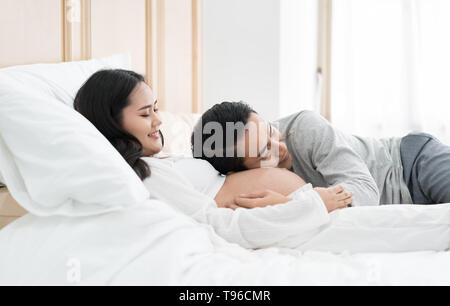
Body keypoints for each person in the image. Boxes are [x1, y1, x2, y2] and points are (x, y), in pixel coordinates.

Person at [73, 69, 352, 249]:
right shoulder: (144, 175)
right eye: (145, 114)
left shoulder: (160, 160)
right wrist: (304, 206)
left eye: (156, 109)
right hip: (304, 220)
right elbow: (220, 226)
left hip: (310, 212)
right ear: (112, 122)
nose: (159, 120)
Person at [192, 101, 450, 206]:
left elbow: (365, 191)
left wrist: (297, 205)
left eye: (271, 131)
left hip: (412, 163)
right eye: (263, 153)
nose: (279, 147)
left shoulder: (303, 128)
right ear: (240, 173)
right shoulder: (246, 186)